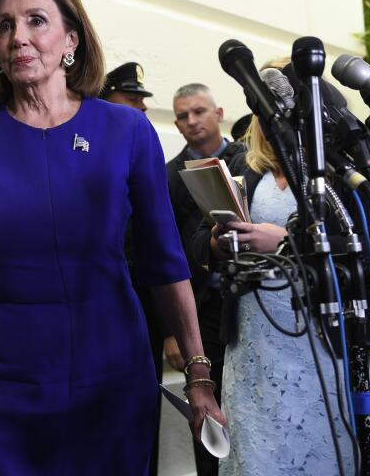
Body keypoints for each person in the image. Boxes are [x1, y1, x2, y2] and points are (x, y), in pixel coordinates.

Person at [0, 0, 223, 476]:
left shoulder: (127, 130)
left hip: (113, 375)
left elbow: (164, 262)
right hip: (2, 383)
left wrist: (198, 375)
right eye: (4, 26)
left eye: (37, 20)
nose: (19, 37)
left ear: (70, 39)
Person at [190, 110, 370, 474]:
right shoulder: (245, 166)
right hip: (259, 338)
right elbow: (195, 240)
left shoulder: (343, 169)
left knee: (336, 441)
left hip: (331, 334)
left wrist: (286, 241)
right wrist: (218, 243)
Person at [164, 83, 247, 476]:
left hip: (251, 305)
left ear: (219, 113)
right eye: (182, 115)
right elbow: (163, 256)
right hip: (201, 311)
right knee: (206, 412)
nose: (191, 121)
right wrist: (171, 331)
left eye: (199, 111)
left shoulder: (250, 160)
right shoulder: (168, 177)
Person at [100, 60, 163, 476]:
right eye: (132, 98)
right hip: (101, 307)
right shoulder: (90, 149)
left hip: (146, 306)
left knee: (143, 417)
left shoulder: (141, 142)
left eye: (142, 100)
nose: (141, 108)